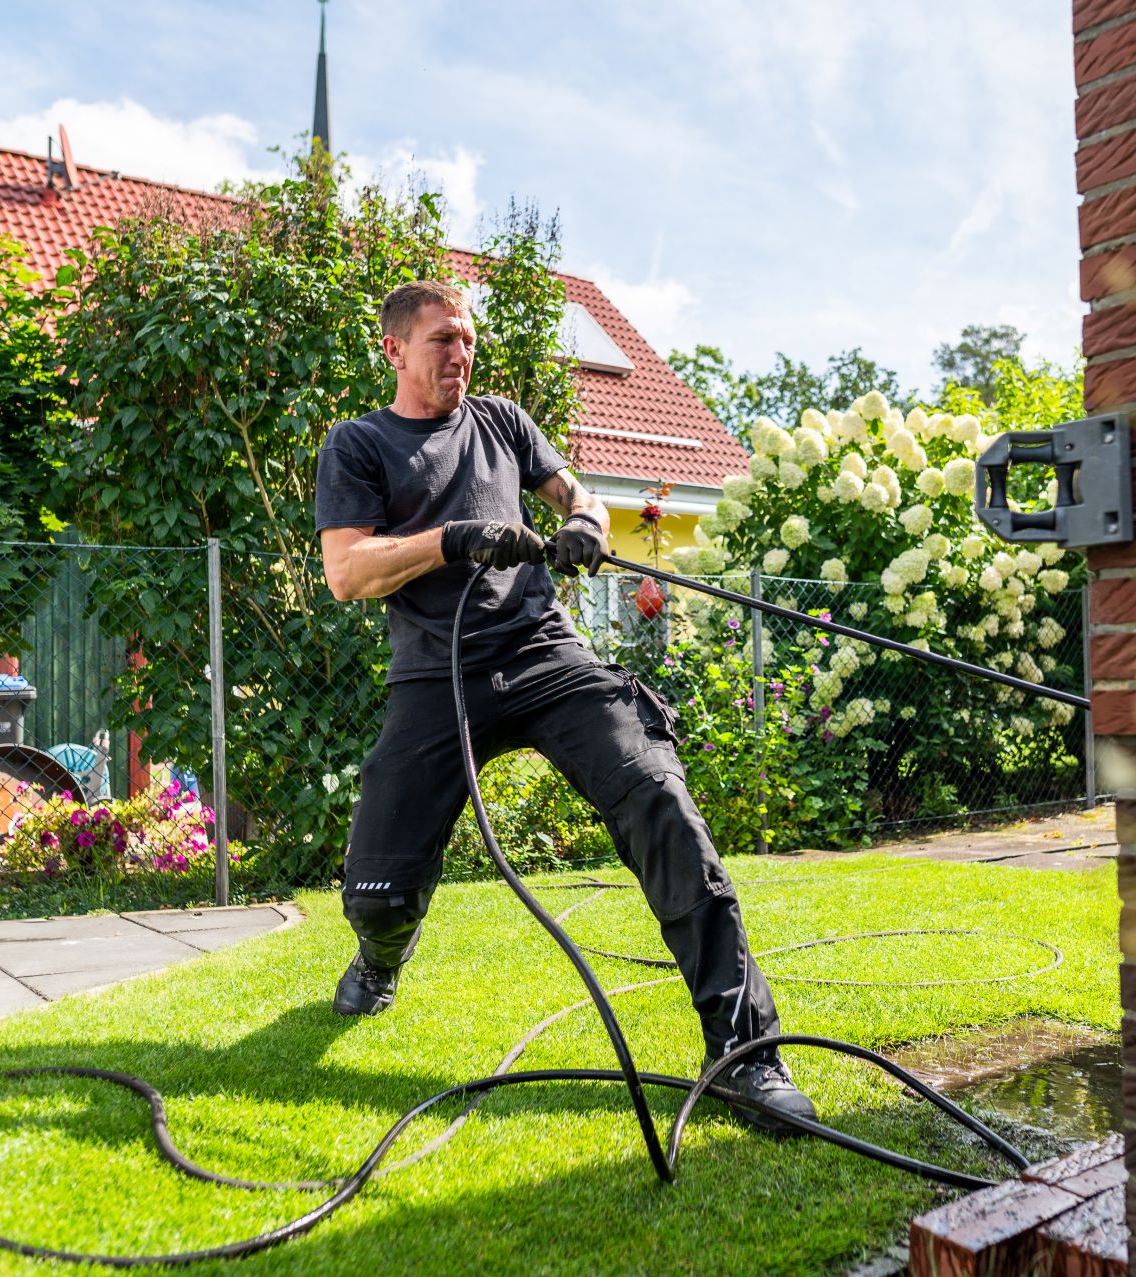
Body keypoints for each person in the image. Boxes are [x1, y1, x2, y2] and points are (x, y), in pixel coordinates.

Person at [313, 279, 815, 1133]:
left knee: (658, 795)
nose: (460, 354)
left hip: (546, 655)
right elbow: (348, 571)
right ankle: (379, 957)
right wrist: (452, 539)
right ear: (395, 349)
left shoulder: (505, 422)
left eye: (467, 339)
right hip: (437, 681)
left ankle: (744, 1057)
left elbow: (575, 491)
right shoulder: (359, 445)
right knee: (379, 888)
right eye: (442, 340)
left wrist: (585, 521)